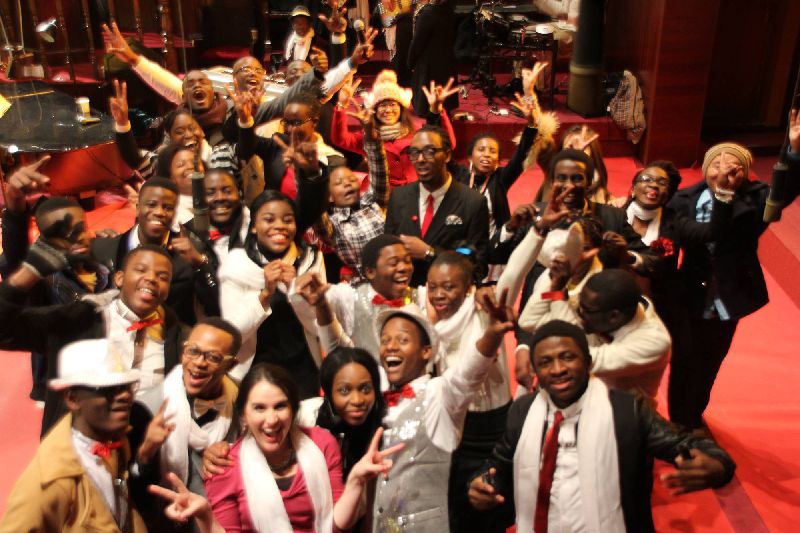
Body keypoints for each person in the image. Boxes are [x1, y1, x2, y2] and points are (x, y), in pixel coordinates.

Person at [467, 320, 737, 532]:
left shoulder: (626, 411)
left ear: (588, 362)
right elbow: (499, 463)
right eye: (546, 362)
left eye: (567, 357)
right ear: (536, 371)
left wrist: (718, 465)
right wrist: (483, 484)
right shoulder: (523, 411)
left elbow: (685, 443)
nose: (558, 369)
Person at [667, 127, 800, 431]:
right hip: (689, 294)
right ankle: (677, 420)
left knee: (710, 362)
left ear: (746, 173)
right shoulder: (683, 200)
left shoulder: (756, 200)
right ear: (705, 170)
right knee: (684, 360)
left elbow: (786, 189)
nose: (725, 169)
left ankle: (694, 415)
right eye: (717, 163)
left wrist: (794, 150)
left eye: (734, 164)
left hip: (728, 296)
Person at [0, 243, 186, 435]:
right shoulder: (79, 321)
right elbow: (4, 333)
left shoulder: (175, 334)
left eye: (162, 277)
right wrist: (28, 274)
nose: (152, 278)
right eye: (141, 270)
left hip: (142, 448)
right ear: (119, 278)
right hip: (73, 447)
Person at [372, 296, 513, 532]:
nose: (391, 346)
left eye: (402, 340)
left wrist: (492, 334)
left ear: (426, 351)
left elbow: (467, 375)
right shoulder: (377, 398)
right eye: (385, 340)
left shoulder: (438, 392)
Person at [203, 363, 402, 531]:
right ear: (244, 415)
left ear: (294, 409)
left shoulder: (322, 443)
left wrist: (356, 480)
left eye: (280, 406)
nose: (271, 419)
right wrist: (204, 515)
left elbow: (334, 525)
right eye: (259, 408)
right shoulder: (224, 465)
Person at [0, 339, 148, 532]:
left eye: (126, 386)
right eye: (108, 389)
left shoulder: (115, 440)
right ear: (72, 398)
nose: (125, 396)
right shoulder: (46, 484)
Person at [0, 163, 112, 403]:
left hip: (111, 380)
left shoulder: (108, 266)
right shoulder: (45, 282)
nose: (75, 238)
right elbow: (17, 262)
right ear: (45, 242)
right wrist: (15, 209)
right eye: (62, 233)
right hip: (66, 394)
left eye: (80, 228)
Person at [418, 251, 512, 532]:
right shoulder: (428, 322)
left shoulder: (484, 312)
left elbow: (514, 275)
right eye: (433, 287)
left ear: (468, 287)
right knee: (457, 505)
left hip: (491, 426)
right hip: (454, 425)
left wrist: (538, 233)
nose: (439, 294)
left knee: (490, 504)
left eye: (449, 286)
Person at [130, 318, 241, 527]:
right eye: (193, 351)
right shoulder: (147, 408)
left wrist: (232, 450)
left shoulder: (242, 402)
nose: (199, 362)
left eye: (213, 357)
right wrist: (146, 453)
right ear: (183, 352)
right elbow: (134, 494)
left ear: (231, 365)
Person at [218, 182, 327, 393]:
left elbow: (320, 327)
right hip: (253, 368)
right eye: (269, 219)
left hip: (305, 367)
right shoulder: (237, 264)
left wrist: (295, 289)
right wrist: (265, 294)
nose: (279, 226)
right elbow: (232, 335)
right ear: (253, 226)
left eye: (288, 220)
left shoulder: (311, 259)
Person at [91, 177, 211, 325]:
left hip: (169, 336)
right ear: (137, 208)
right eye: (152, 204)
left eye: (168, 207)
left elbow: (213, 306)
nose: (159, 212)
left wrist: (201, 264)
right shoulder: (102, 249)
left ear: (175, 213)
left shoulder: (191, 254)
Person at [384, 124, 490, 286]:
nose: (420, 159)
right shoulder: (399, 197)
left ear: (447, 155)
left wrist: (430, 253)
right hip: (405, 293)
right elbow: (387, 248)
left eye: (429, 151)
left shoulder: (473, 202)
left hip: (448, 294)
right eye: (414, 153)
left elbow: (476, 264)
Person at [296, 234, 414, 364]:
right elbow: (313, 308)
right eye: (393, 263)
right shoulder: (350, 297)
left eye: (408, 261)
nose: (403, 268)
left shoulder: (419, 299)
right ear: (370, 272)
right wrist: (308, 294)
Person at [332, 71, 458, 187]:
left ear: (401, 109)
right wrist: (342, 105)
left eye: (393, 105)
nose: (388, 110)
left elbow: (448, 144)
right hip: (380, 192)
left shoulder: (415, 134)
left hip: (414, 192)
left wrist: (437, 110)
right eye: (383, 105)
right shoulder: (369, 137)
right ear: (374, 110)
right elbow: (340, 139)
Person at [312, 100, 391, 281]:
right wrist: (309, 173)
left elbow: (379, 168)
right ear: (330, 196)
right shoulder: (333, 225)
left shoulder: (374, 202)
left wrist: (370, 133)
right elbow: (314, 209)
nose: (347, 183)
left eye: (351, 179)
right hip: (365, 284)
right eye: (339, 183)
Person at [233, 88, 344, 200]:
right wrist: (245, 120)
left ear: (314, 122)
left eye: (297, 122)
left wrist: (310, 172)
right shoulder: (277, 145)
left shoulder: (333, 160)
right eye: (286, 122)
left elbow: (323, 201)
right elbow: (243, 151)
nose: (290, 129)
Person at [408, 0, 458, 116]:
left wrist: (410, 61)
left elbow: (418, 42)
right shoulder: (450, 12)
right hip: (446, 58)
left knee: (429, 85)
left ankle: (428, 110)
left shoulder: (427, 14)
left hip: (428, 61)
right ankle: (444, 107)